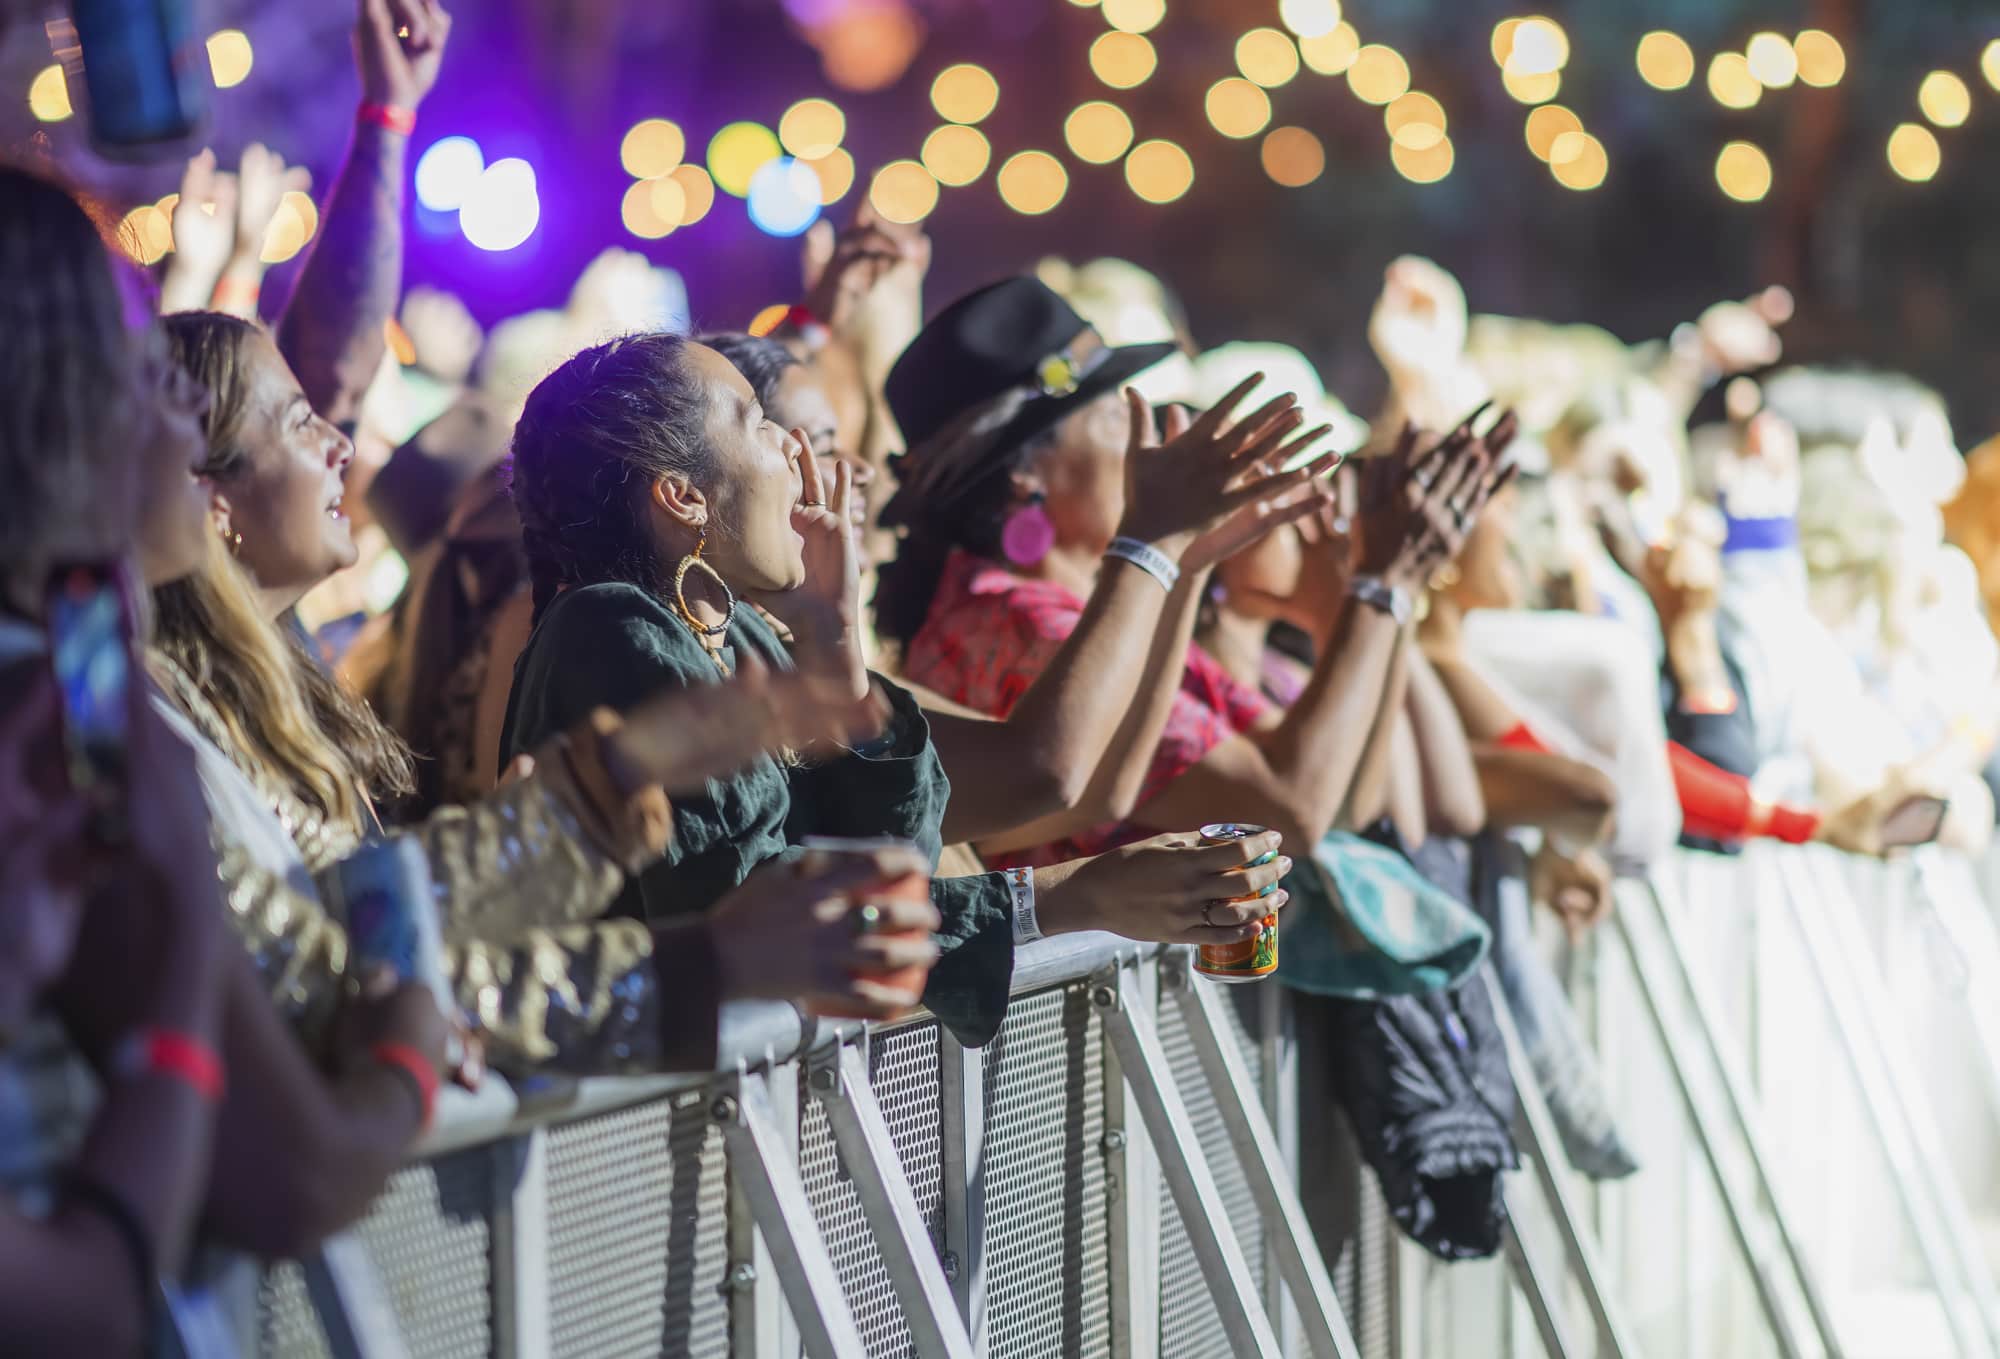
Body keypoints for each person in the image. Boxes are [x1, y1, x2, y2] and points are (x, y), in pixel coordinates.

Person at [503, 331, 1299, 1048]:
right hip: (654, 1151)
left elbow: (896, 861)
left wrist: (835, 644)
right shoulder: (609, 632)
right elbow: (766, 921)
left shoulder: (737, 635)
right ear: (682, 495)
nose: (796, 454)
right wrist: (1067, 895)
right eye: (756, 422)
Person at [877, 277, 1514, 867]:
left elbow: (1348, 803)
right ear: (1026, 473)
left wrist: (1384, 584)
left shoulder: (1083, 606)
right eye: (1111, 414)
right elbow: (1287, 814)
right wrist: (1377, 588)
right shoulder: (1018, 619)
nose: (1147, 434)